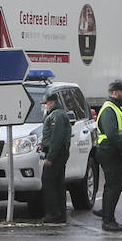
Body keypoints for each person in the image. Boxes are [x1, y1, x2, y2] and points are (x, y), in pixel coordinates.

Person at [95, 80, 122, 232]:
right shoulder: (109, 109)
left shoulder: (114, 108)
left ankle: (107, 217)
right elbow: (111, 133)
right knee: (114, 187)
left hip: (110, 151)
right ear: (115, 93)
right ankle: (108, 221)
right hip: (110, 151)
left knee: (111, 186)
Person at [38, 91, 70, 224]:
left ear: (52, 102)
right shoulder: (55, 115)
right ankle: (60, 214)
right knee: (57, 183)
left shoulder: (57, 116)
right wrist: (42, 146)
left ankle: (53, 213)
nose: (44, 106)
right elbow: (51, 137)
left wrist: (50, 157)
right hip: (56, 153)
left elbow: (57, 138)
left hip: (56, 155)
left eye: (45, 103)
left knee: (49, 182)